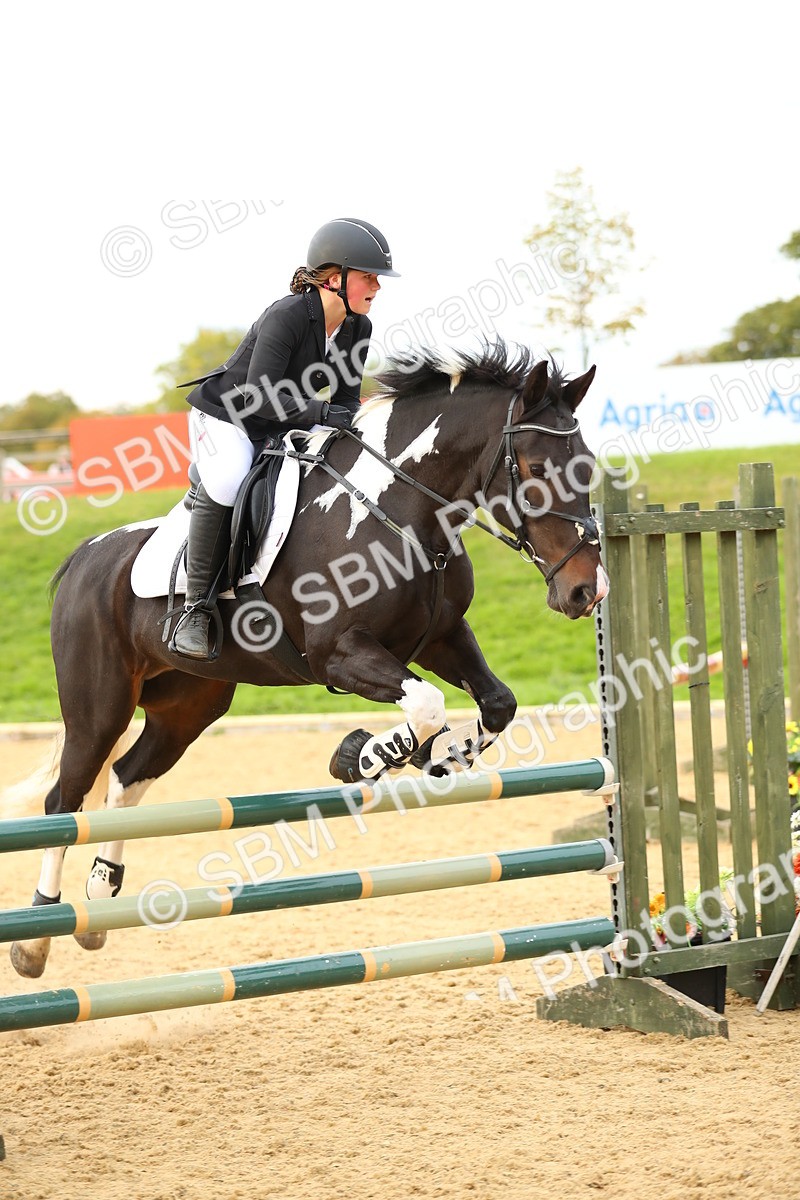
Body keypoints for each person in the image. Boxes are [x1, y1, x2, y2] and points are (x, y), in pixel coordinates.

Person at [172, 218, 399, 660]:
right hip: (228, 416)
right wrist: (320, 413)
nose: (377, 287)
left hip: (281, 419)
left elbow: (346, 402)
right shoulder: (288, 316)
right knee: (228, 480)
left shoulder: (357, 328)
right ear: (336, 278)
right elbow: (258, 395)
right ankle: (194, 611)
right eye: (369, 277)